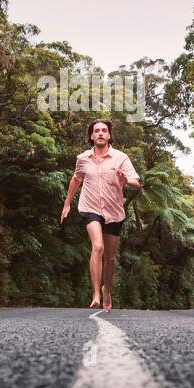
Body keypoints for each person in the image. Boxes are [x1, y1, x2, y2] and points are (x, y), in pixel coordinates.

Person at [60, 119, 141, 312]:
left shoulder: (121, 158)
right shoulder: (83, 159)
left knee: (111, 258)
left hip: (114, 212)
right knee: (97, 247)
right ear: (91, 136)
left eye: (104, 130)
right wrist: (67, 203)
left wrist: (127, 181)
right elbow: (76, 179)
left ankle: (107, 290)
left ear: (109, 135)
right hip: (90, 208)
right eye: (97, 131)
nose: (101, 133)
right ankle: (95, 293)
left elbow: (136, 182)